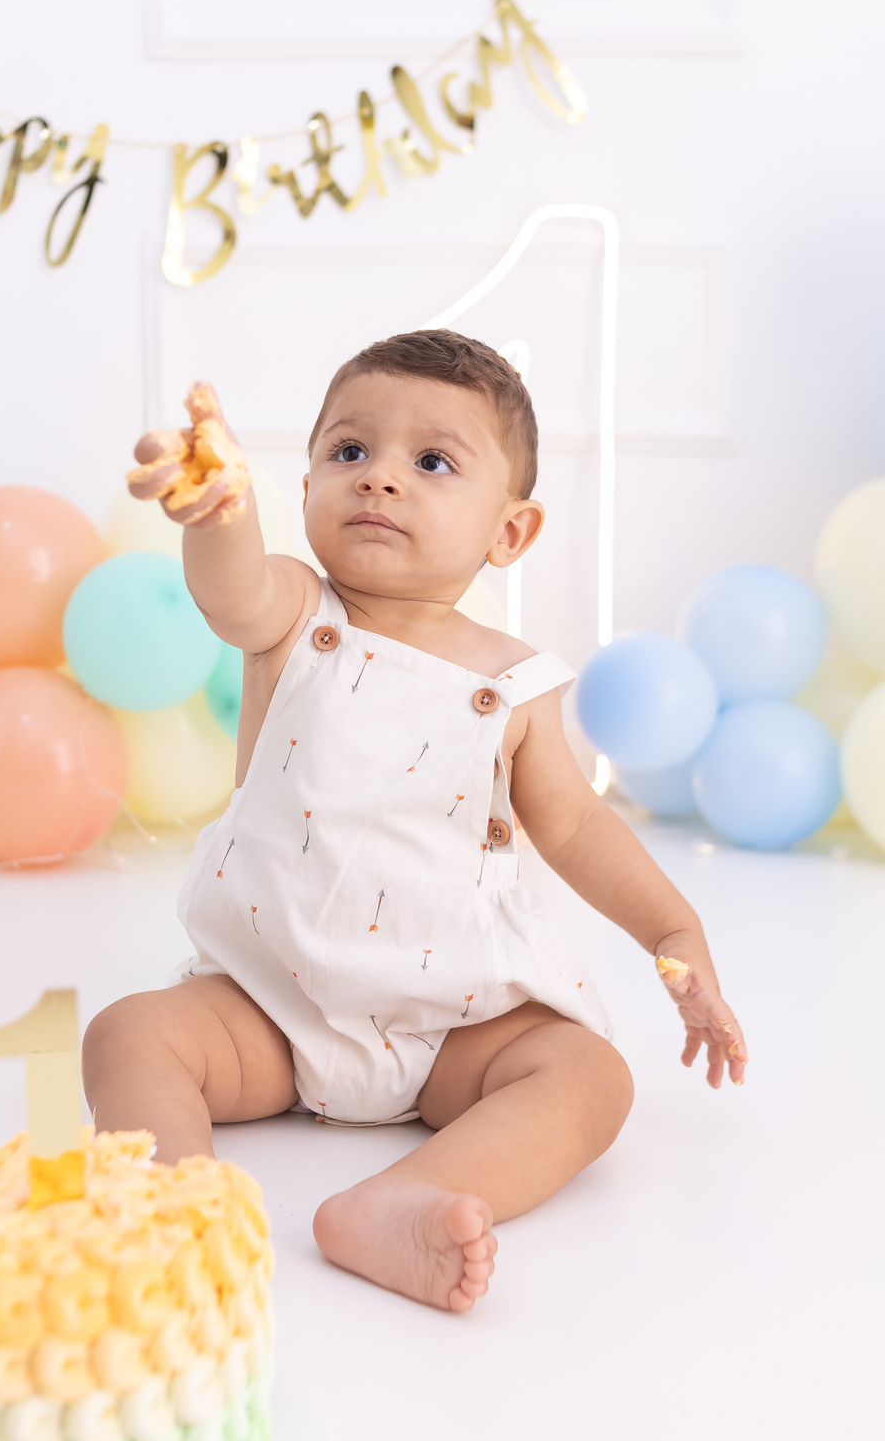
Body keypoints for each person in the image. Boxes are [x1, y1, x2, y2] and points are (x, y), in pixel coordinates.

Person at [81, 329, 746, 1313]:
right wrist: (219, 513)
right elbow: (232, 588)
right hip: (269, 1004)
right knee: (129, 1035)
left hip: (453, 1026)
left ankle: (405, 1203)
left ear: (509, 532)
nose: (379, 480)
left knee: (590, 1078)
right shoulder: (297, 616)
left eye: (431, 462)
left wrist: (672, 933)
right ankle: (174, 1202)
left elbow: (572, 830)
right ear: (304, 485)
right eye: (350, 452)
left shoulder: (510, 682)